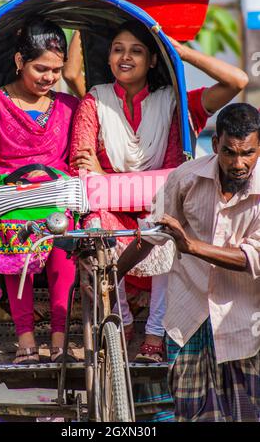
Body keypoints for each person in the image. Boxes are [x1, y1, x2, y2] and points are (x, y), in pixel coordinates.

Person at [68, 20, 249, 362]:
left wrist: (178, 52)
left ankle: (154, 333)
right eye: (118, 50)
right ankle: (118, 324)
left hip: (156, 208)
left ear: (152, 60)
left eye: (136, 51)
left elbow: (237, 81)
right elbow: (82, 161)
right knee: (94, 227)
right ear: (107, 58)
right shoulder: (95, 101)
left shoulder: (175, 102)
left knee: (168, 226)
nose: (126, 57)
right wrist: (111, 181)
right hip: (111, 211)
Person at [116, 103, 260, 421]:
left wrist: (189, 245)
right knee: (189, 412)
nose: (239, 163)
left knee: (248, 412)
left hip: (245, 321)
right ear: (215, 143)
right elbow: (151, 233)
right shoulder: (187, 177)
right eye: (229, 152)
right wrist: (113, 274)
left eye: (248, 153)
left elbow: (252, 258)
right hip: (188, 316)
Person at [0, 19, 79, 364]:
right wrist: (19, 180)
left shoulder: (69, 108)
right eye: (41, 68)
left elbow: (77, 162)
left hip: (55, 200)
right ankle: (25, 340)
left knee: (65, 231)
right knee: (17, 227)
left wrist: (50, 178)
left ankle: (60, 340)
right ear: (18, 61)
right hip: (4, 201)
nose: (49, 78)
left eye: (56, 71)